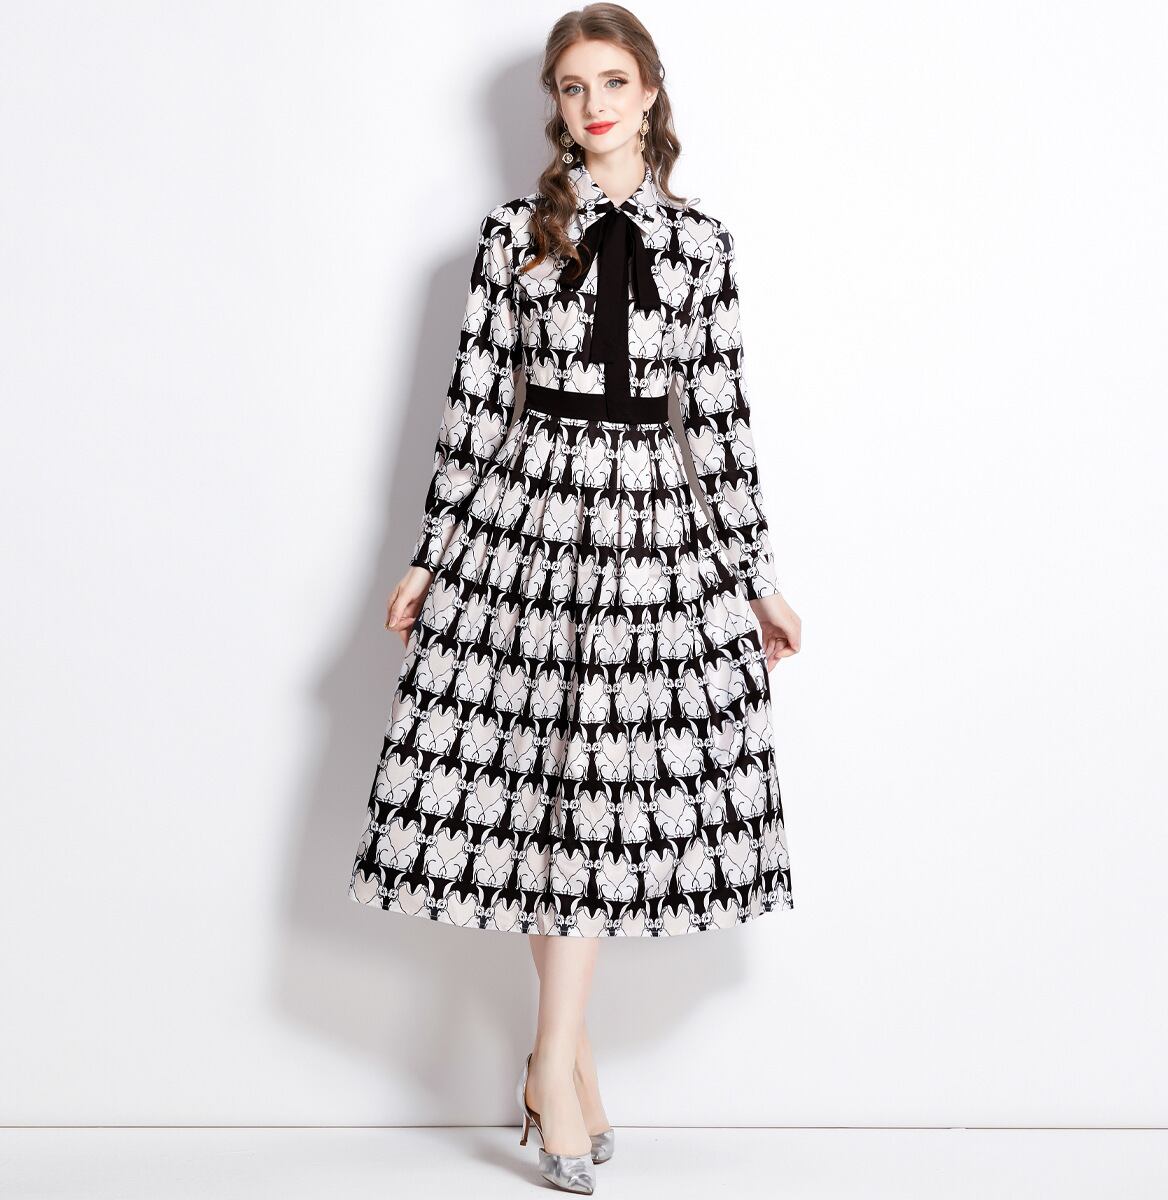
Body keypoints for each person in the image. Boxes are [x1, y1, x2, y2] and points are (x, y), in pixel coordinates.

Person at [347, 4, 803, 1192]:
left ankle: (553, 1058)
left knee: (601, 799)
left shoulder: (703, 243)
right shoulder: (512, 235)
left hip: (651, 533)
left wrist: (755, 574)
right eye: (570, 86)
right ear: (554, 104)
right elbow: (471, 407)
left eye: (611, 81)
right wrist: (430, 555)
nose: (591, 104)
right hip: (530, 522)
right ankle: (564, 1063)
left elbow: (722, 419)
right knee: (543, 794)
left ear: (650, 91)